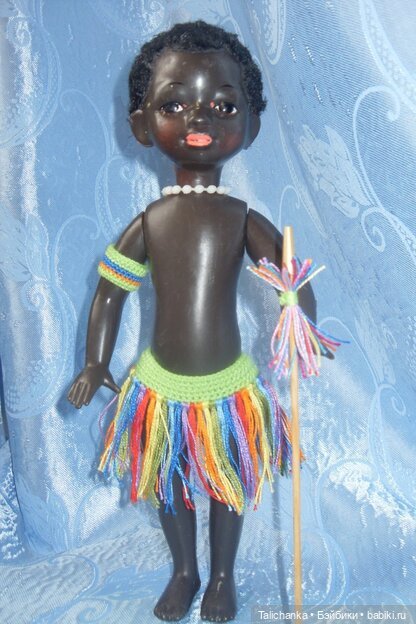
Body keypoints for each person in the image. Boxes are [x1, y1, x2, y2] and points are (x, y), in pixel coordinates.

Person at [68, 21, 315, 622]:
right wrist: (96, 361)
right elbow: (110, 292)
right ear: (141, 125)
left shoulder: (241, 217)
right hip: (161, 388)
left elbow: (291, 281)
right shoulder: (151, 221)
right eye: (174, 105)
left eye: (223, 106)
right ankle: (186, 571)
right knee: (170, 481)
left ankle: (223, 575)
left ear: (249, 126)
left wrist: (301, 322)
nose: (198, 119)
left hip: (226, 387)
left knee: (227, 480)